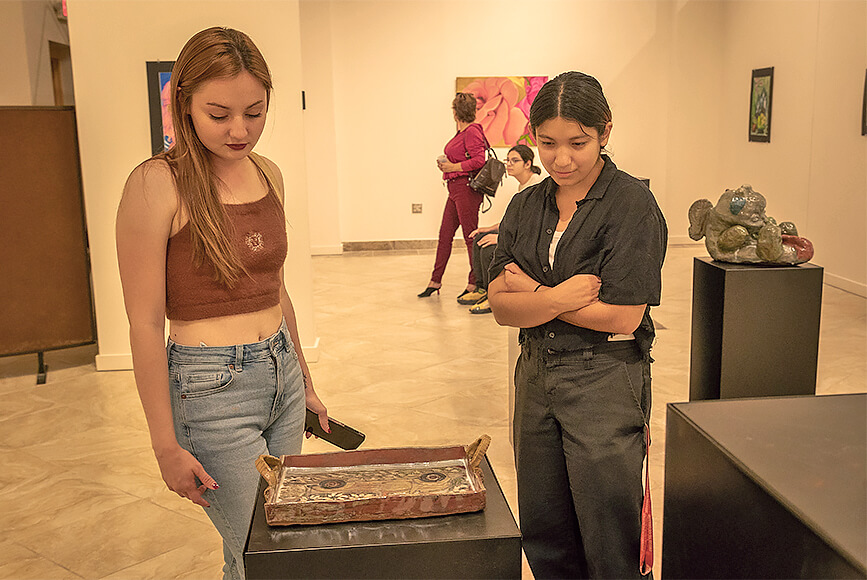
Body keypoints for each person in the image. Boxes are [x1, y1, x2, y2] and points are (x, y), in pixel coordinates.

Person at [116, 27, 328, 580]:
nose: (240, 130)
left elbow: (276, 290)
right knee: (269, 551)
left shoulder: (269, 173)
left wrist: (304, 380)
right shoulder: (156, 184)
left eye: (255, 113)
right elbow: (144, 324)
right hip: (211, 391)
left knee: (259, 549)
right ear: (185, 104)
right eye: (219, 114)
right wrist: (164, 447)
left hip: (281, 374)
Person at [488, 72, 667, 579]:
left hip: (604, 378)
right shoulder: (526, 204)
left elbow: (623, 316)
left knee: (610, 533)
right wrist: (557, 297)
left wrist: (534, 294)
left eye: (578, 143)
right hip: (535, 374)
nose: (561, 159)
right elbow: (500, 305)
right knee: (545, 529)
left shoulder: (631, 205)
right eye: (547, 144)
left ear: (605, 131)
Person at [418, 92, 488, 303]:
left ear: (455, 113)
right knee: (445, 235)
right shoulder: (462, 133)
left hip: (466, 189)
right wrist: (447, 167)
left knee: (469, 238)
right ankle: (435, 281)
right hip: (455, 189)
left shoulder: (472, 131)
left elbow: (479, 160)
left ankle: (475, 284)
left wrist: (453, 167)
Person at [466, 144, 543, 314]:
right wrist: (489, 228)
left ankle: (493, 296)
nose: (508, 164)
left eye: (514, 160)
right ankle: (482, 288)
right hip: (520, 234)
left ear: (527, 164)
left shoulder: (536, 186)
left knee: (490, 249)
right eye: (507, 160)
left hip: (531, 240)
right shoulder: (523, 186)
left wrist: (501, 239)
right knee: (480, 238)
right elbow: (514, 221)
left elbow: (532, 226)